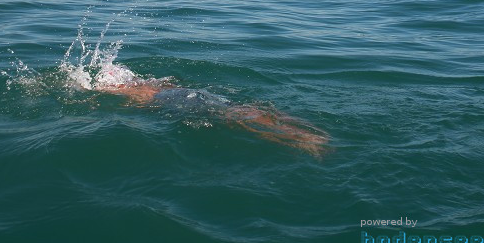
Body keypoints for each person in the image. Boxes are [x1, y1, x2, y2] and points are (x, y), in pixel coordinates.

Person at [95, 77, 331, 157]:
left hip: (191, 100)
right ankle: (305, 131)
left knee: (239, 118)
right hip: (197, 94)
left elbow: (140, 107)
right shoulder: (153, 83)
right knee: (246, 110)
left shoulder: (133, 93)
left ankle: (302, 140)